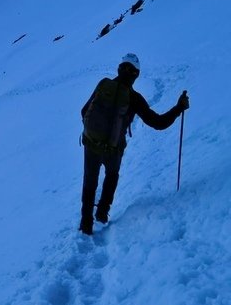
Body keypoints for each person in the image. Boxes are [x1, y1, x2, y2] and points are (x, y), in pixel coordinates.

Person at [79, 53, 189, 235]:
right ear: (136, 74)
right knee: (111, 176)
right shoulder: (134, 98)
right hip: (114, 149)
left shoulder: (103, 84)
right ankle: (102, 214)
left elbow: (84, 111)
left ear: (119, 68)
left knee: (90, 181)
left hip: (91, 144)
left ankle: (86, 224)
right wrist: (179, 107)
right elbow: (158, 123)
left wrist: (94, 130)